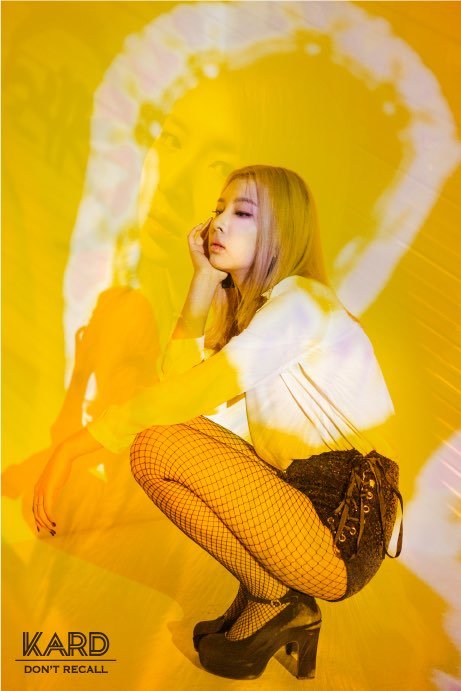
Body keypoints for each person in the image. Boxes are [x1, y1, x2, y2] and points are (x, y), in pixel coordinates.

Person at [32, 164, 403, 681]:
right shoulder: (263, 319)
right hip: (299, 503)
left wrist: (73, 447)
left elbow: (186, 395)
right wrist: (204, 280)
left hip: (342, 530)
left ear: (282, 231)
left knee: (156, 443)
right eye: (219, 209)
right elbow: (182, 392)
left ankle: (276, 600)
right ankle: (275, 597)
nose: (219, 223)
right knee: (155, 444)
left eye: (242, 212)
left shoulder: (302, 304)